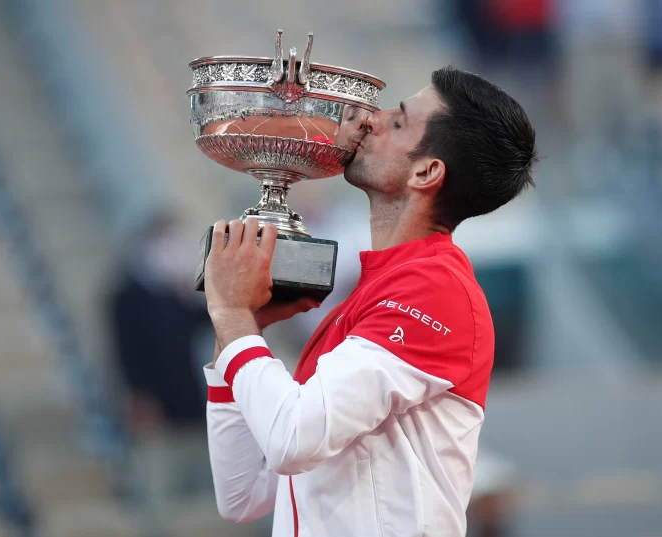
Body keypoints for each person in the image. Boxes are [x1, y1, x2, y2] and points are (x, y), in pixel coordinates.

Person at [201, 66, 537, 537]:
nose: (372, 121)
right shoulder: (373, 295)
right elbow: (243, 495)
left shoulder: (435, 291)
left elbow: (292, 438)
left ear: (426, 171)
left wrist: (232, 314)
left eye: (398, 121)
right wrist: (237, 332)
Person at [108, 212, 215, 537]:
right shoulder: (127, 295)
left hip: (191, 402)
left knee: (206, 485)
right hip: (153, 404)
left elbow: (211, 321)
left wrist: (191, 290)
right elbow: (126, 353)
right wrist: (138, 397)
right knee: (159, 485)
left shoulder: (176, 295)